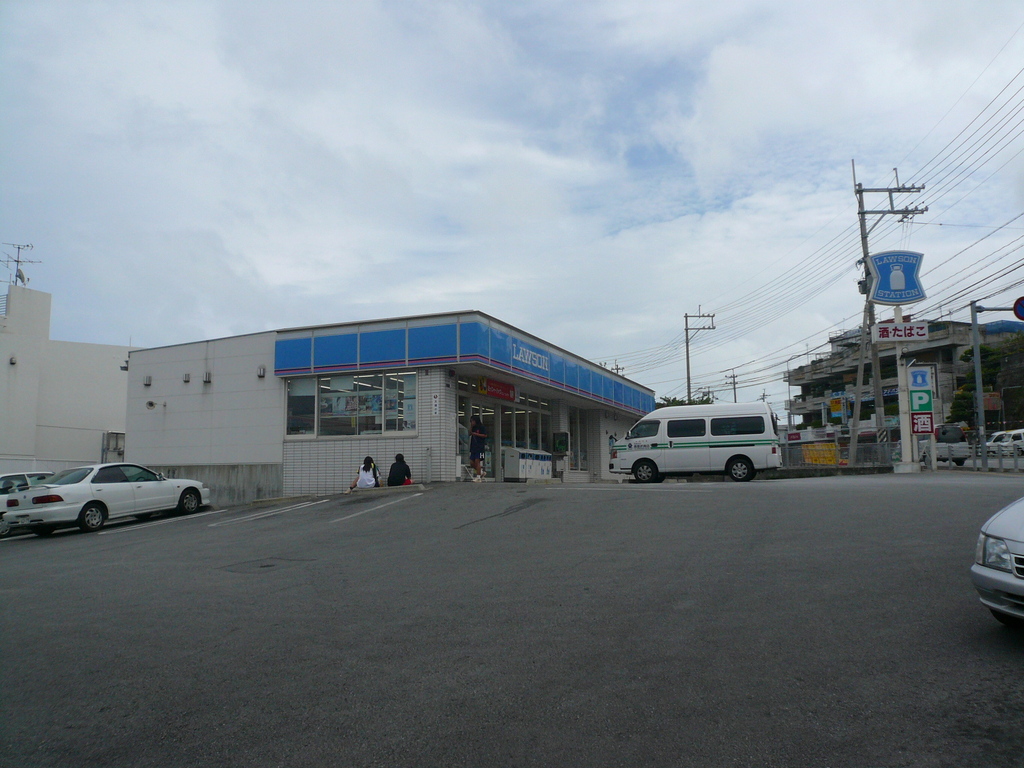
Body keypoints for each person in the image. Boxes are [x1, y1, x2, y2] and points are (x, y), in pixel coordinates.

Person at [469, 415, 487, 482]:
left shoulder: (482, 427)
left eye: (472, 421)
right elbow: (469, 433)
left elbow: (485, 435)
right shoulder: (473, 427)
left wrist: (476, 434)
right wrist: (471, 427)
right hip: (473, 447)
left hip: (480, 447)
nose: (472, 422)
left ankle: (478, 477)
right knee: (472, 462)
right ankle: (481, 472)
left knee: (477, 461)